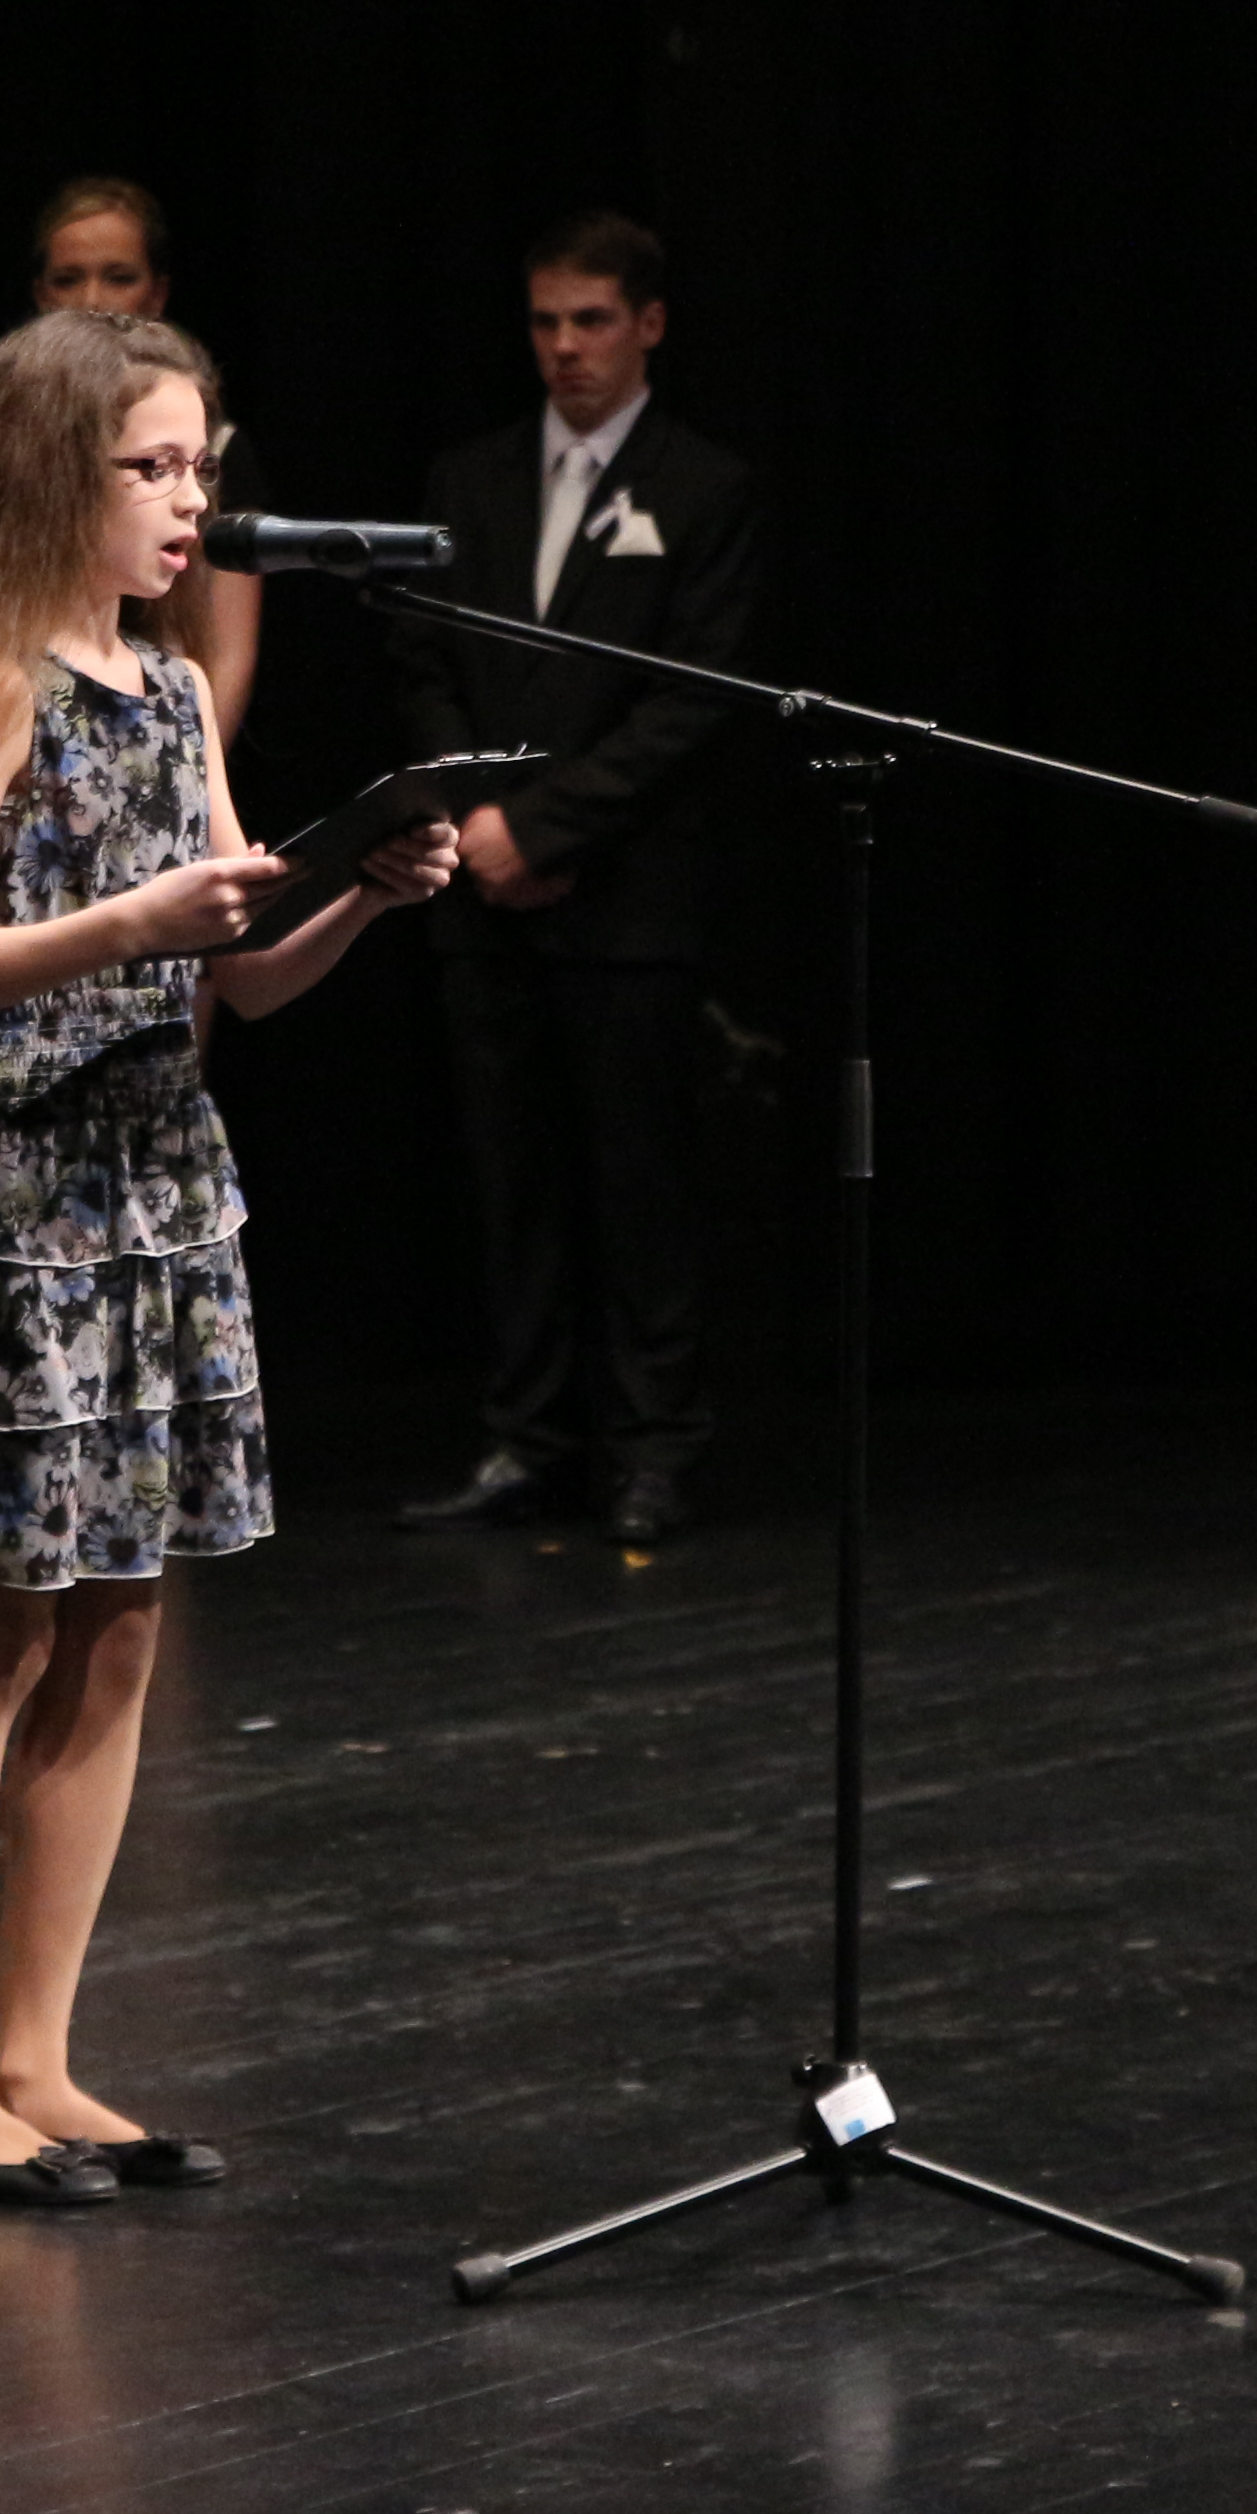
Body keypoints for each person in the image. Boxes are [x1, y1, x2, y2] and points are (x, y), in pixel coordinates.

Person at [0, 308, 456, 2205]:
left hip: (160, 1186)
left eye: (203, 466)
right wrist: (126, 923)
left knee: (121, 1623)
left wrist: (355, 894)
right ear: (57, 477)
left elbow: (236, 976)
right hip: (25, 1194)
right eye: (153, 468)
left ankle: (35, 2050)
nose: (192, 503)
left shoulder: (177, 692)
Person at [390, 210, 760, 1544]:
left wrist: (544, 831)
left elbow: (690, 701)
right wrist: (479, 821)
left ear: (647, 324)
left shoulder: (703, 486)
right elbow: (424, 660)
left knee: (642, 1185)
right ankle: (525, 1440)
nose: (565, 347)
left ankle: (652, 1445)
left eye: (590, 320)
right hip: (484, 895)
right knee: (514, 1184)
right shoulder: (469, 477)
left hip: (626, 898)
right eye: (545, 321)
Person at [27, 177, 271, 735]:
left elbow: (228, 653)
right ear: (41, 294)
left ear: (157, 294)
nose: (91, 299)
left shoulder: (218, 448)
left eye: (118, 277)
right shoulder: (10, 443)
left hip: (164, 729)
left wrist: (185, 763)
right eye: (69, 279)